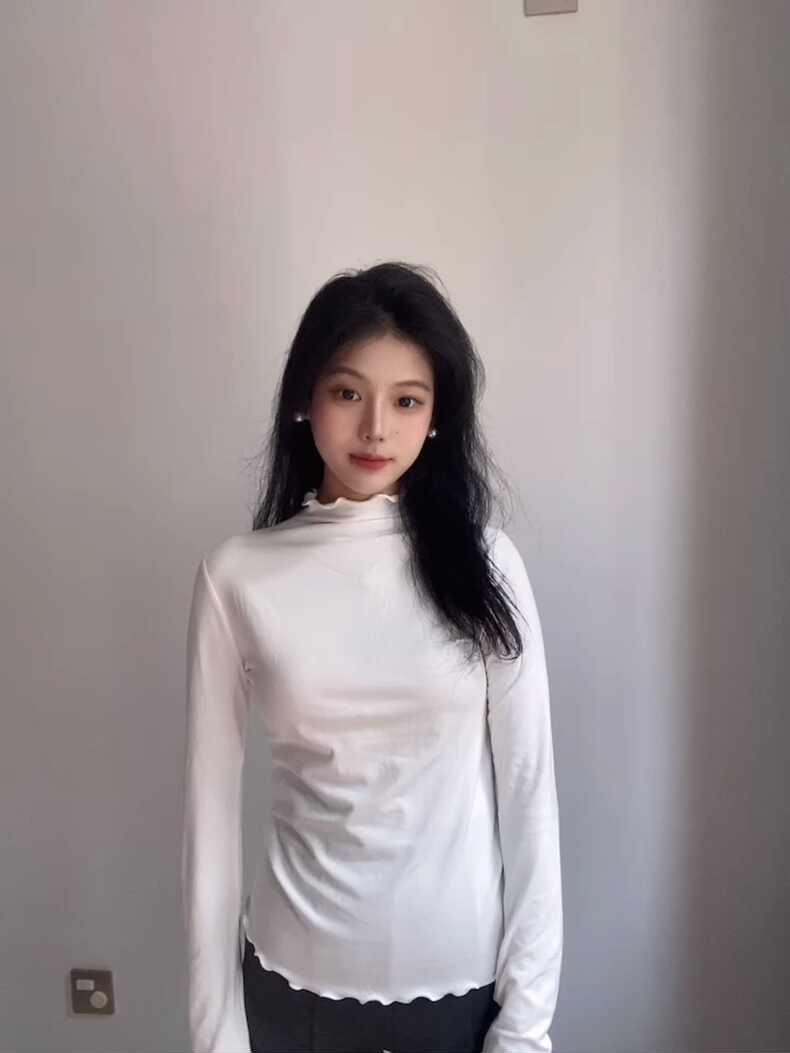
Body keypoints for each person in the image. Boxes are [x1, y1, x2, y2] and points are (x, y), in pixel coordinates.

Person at [181, 261, 563, 1053]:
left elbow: (530, 801)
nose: (376, 429)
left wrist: (525, 1029)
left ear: (436, 417)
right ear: (305, 398)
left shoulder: (487, 567)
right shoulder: (237, 577)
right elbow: (207, 827)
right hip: (291, 991)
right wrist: (216, 1036)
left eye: (407, 400)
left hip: (461, 995)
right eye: (349, 392)